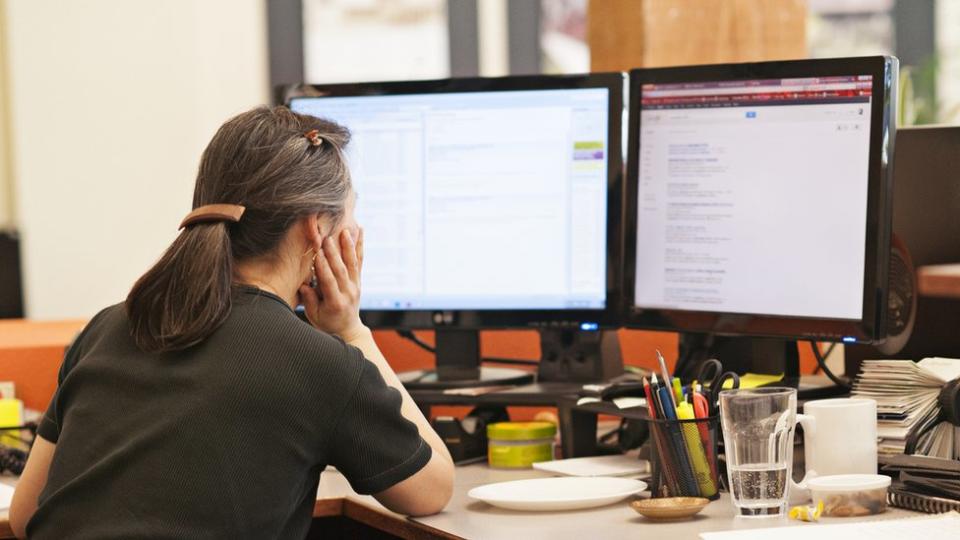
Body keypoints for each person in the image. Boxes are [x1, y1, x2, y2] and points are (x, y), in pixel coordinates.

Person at [9, 106, 455, 538]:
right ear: (317, 227)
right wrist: (353, 333)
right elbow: (432, 489)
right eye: (351, 213)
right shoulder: (320, 363)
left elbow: (26, 516)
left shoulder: (107, 328)